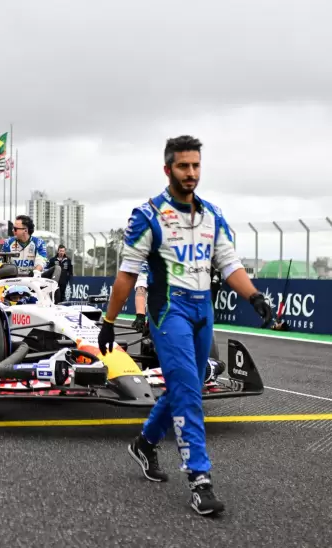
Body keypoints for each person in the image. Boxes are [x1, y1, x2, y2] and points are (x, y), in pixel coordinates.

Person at [97, 135, 272, 516]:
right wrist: (110, 321)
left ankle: (144, 443)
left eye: (195, 166)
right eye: (183, 166)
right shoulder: (146, 215)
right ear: (167, 169)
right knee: (189, 391)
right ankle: (200, 480)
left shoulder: (212, 214)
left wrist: (255, 298)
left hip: (202, 309)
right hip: (168, 311)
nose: (191, 173)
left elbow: (229, 264)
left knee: (184, 386)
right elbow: (126, 275)